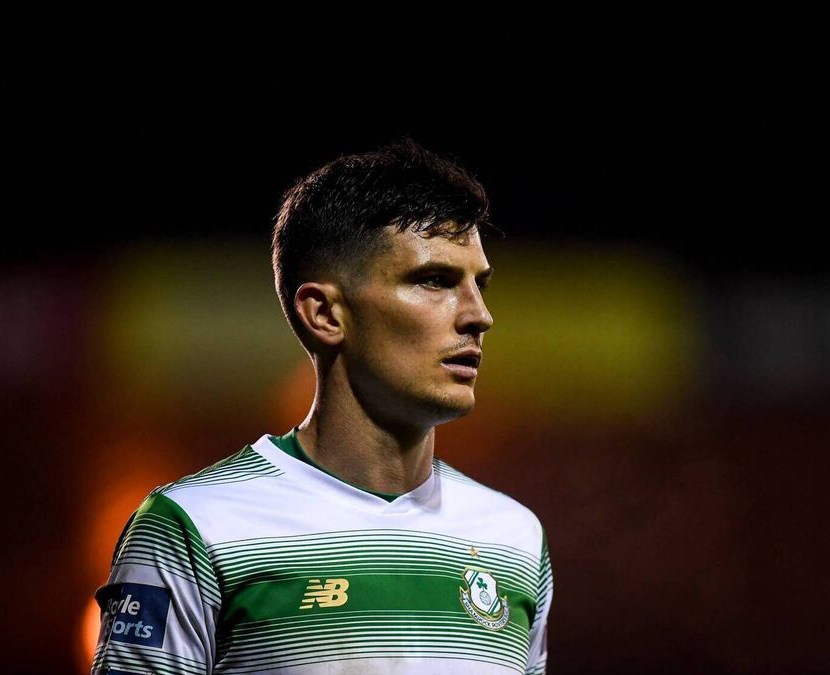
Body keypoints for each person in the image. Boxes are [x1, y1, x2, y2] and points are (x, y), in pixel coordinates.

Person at [90, 137, 553, 674]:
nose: (479, 315)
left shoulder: (514, 538)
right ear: (325, 314)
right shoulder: (195, 526)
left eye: (480, 284)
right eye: (435, 281)